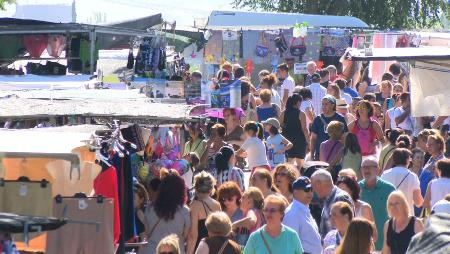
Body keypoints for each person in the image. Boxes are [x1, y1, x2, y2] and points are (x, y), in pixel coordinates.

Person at [141, 174, 191, 254]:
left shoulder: (150, 208)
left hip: (152, 250)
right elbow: (185, 235)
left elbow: (147, 231)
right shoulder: (184, 211)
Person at [359, 157, 396, 251]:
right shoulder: (356, 188)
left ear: (378, 169)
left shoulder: (389, 189)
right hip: (362, 244)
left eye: (369, 167)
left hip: (385, 244)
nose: (366, 170)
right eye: (364, 167)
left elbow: (396, 215)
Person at [283, 176, 322, 254]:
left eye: (311, 189)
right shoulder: (292, 213)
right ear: (295, 192)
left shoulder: (304, 209)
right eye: (306, 190)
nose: (310, 193)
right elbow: (290, 246)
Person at [310, 169, 353, 238]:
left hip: (339, 247)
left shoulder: (340, 198)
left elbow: (345, 229)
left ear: (318, 184)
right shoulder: (328, 199)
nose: (313, 191)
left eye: (313, 186)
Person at [187, 172, 221, 254]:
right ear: (211, 188)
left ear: (196, 187)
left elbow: (193, 236)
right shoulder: (217, 204)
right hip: (215, 248)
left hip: (200, 249)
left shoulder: (195, 205)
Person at [381, 148, 423, 215]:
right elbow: (418, 202)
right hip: (407, 215)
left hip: (389, 215)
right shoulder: (413, 176)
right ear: (407, 160)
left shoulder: (385, 174)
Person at [310, 95, 348, 161]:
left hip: (336, 155)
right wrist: (311, 155)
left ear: (333, 105)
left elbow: (344, 137)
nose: (323, 106)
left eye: (326, 104)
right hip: (320, 155)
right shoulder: (318, 119)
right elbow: (313, 138)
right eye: (322, 104)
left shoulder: (340, 118)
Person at [279, 94, 309, 166]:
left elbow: (279, 125)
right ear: (298, 102)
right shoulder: (301, 114)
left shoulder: (284, 113)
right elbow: (304, 129)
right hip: (299, 139)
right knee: (300, 162)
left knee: (289, 162)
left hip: (287, 139)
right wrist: (308, 140)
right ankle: (298, 175)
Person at [419, 134, 446, 203]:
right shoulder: (430, 159)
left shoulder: (442, 162)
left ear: (439, 145)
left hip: (433, 199)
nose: (428, 147)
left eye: (431, 144)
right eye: (428, 144)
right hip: (423, 197)